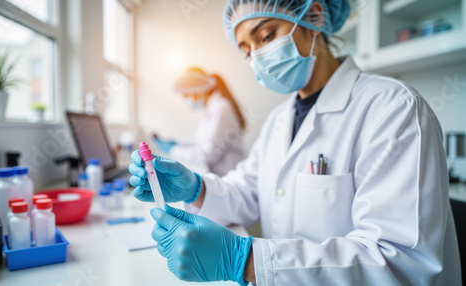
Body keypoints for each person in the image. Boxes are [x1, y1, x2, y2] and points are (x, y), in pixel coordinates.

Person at [129, 0, 462, 285]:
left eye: (266, 35)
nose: (257, 56)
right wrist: (195, 189)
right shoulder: (278, 120)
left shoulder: (393, 110)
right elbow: (249, 190)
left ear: (314, 17)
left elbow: (400, 262)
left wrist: (245, 260)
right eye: (247, 50)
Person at [153, 67, 246, 176]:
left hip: (229, 176)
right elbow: (200, 141)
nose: (185, 98)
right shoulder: (211, 108)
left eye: (186, 94)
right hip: (220, 175)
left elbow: (208, 154)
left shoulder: (220, 108)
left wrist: (173, 149)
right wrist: (177, 143)